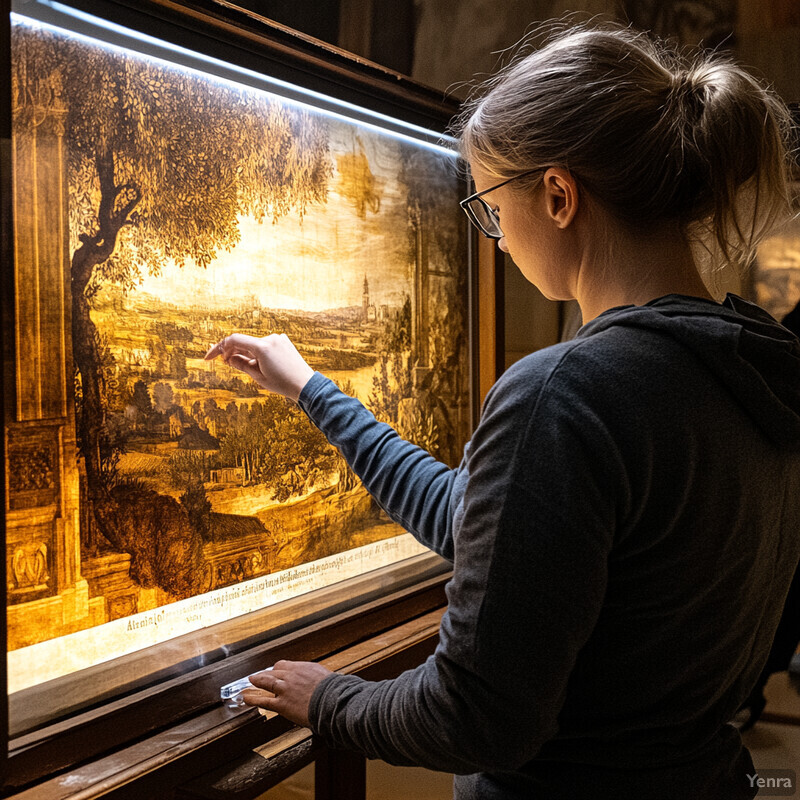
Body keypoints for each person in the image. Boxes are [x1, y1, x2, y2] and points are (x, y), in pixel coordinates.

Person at [205, 21, 800, 800]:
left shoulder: (567, 392)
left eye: (488, 206)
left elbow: (476, 718)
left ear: (557, 195)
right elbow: (483, 519)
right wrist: (314, 390)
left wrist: (329, 699)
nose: (494, 240)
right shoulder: (755, 371)